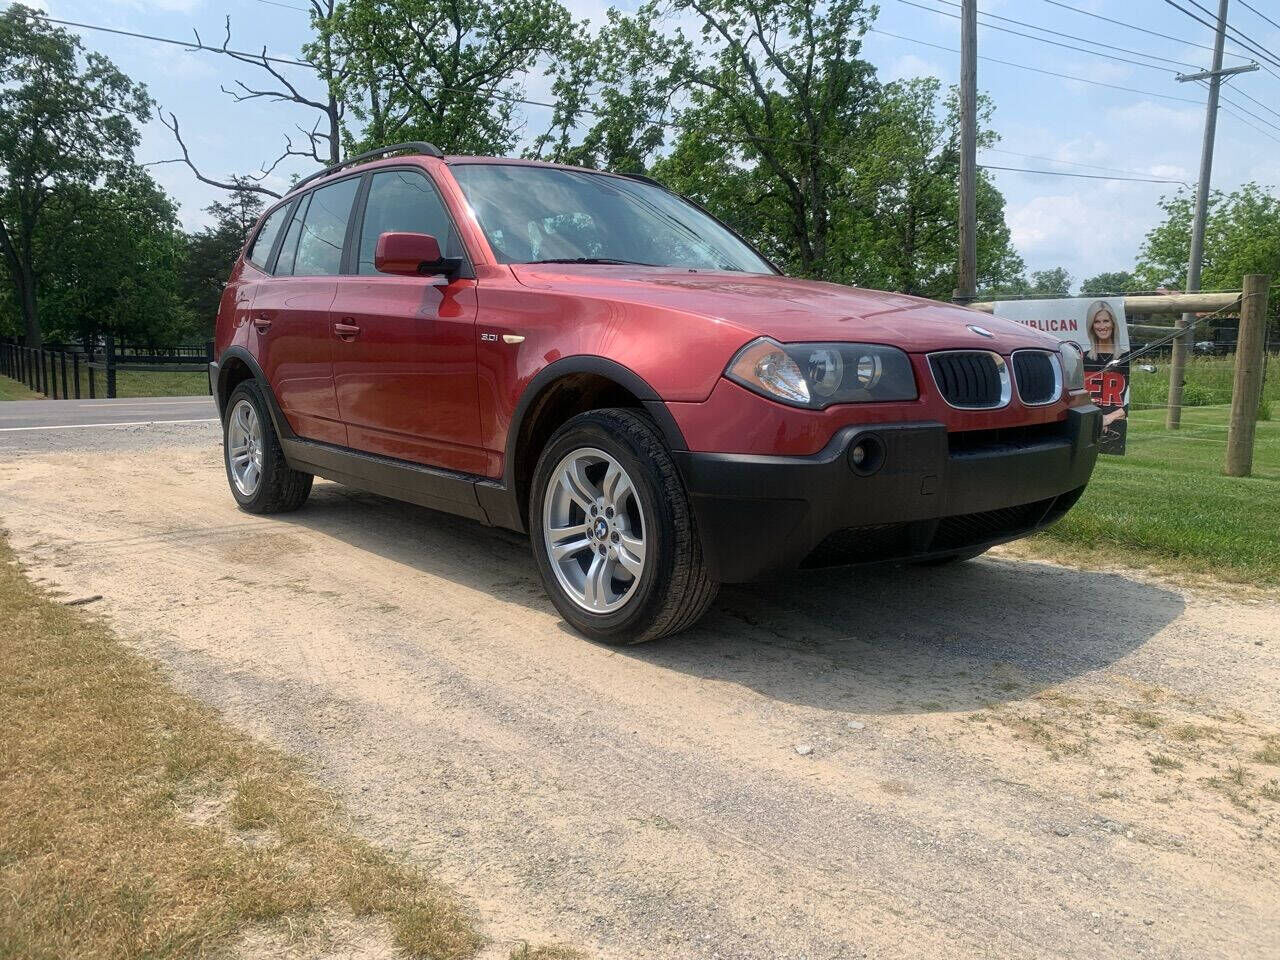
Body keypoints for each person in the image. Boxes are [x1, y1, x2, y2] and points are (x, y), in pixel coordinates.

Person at [1084, 301, 1126, 433]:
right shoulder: (1081, 358)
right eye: (1097, 322)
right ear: (1091, 326)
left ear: (1113, 323)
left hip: (1117, 426)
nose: (1102, 326)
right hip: (1087, 424)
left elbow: (1134, 399)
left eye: (1106, 321)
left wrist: (1109, 418)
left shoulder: (1127, 357)